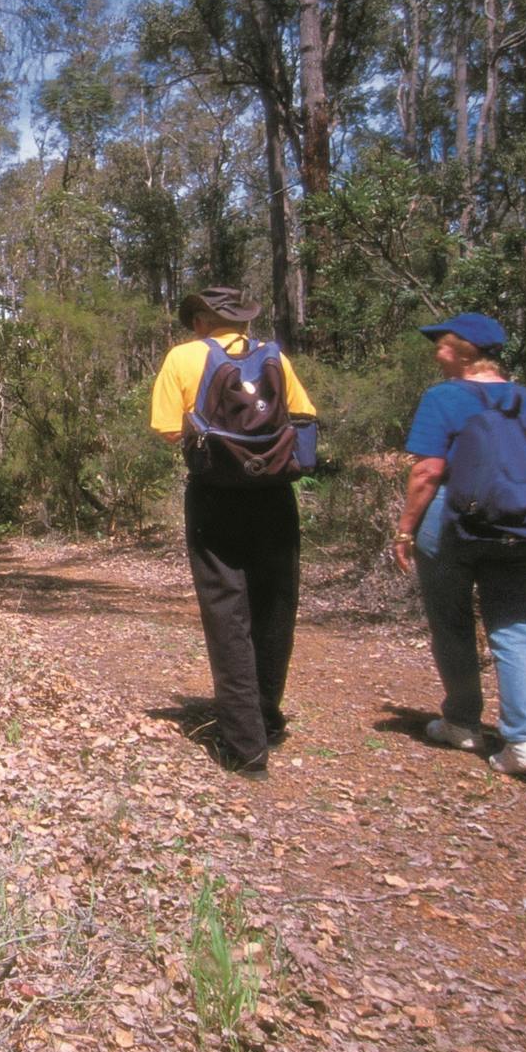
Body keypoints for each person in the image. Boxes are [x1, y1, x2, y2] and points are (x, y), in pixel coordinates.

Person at [151, 287, 317, 776]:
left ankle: (245, 748)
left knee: (227, 609)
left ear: (203, 320)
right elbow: (303, 416)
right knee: (276, 603)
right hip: (275, 495)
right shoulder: (275, 357)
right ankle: (267, 717)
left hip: (215, 495)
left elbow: (165, 428)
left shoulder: (183, 358)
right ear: (243, 321)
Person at [393, 312, 526, 776]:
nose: (436, 352)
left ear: (465, 350)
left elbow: (427, 471)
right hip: (523, 521)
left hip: (453, 518)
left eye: (442, 344)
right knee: (515, 626)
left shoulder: (443, 397)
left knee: (452, 623)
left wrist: (405, 529)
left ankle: (462, 723)